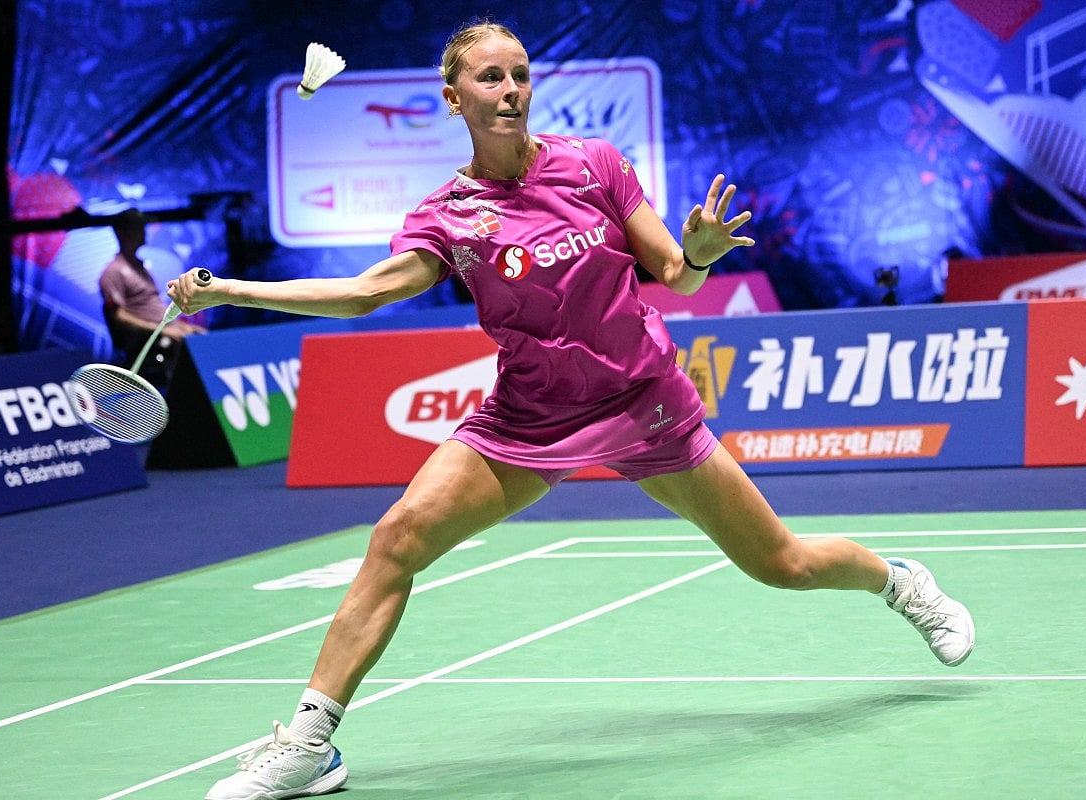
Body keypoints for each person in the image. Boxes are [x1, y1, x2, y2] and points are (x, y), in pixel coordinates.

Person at [171, 20, 974, 800]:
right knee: (397, 538)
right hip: (528, 417)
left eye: (521, 74)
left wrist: (695, 251)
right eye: (491, 77)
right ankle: (310, 744)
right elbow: (363, 293)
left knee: (781, 565)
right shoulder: (447, 215)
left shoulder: (593, 165)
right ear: (454, 100)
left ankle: (900, 584)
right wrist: (235, 290)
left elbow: (674, 271)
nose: (512, 89)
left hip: (641, 399)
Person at [99, 208, 206, 386]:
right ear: (122, 233)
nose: (143, 232)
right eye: (138, 228)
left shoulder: (142, 268)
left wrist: (181, 327)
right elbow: (117, 315)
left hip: (167, 333)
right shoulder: (113, 272)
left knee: (204, 338)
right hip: (147, 342)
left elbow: (154, 309)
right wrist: (162, 330)